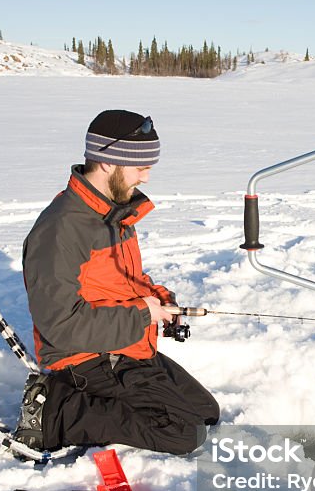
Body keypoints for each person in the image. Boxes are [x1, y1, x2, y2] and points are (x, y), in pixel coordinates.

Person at [13, 109, 219, 455]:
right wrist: (142, 316)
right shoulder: (61, 229)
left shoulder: (111, 211)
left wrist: (161, 300)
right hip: (87, 357)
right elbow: (59, 326)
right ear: (108, 162)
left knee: (205, 413)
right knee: (183, 433)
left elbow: (123, 281)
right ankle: (56, 412)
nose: (146, 178)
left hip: (125, 342)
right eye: (141, 167)